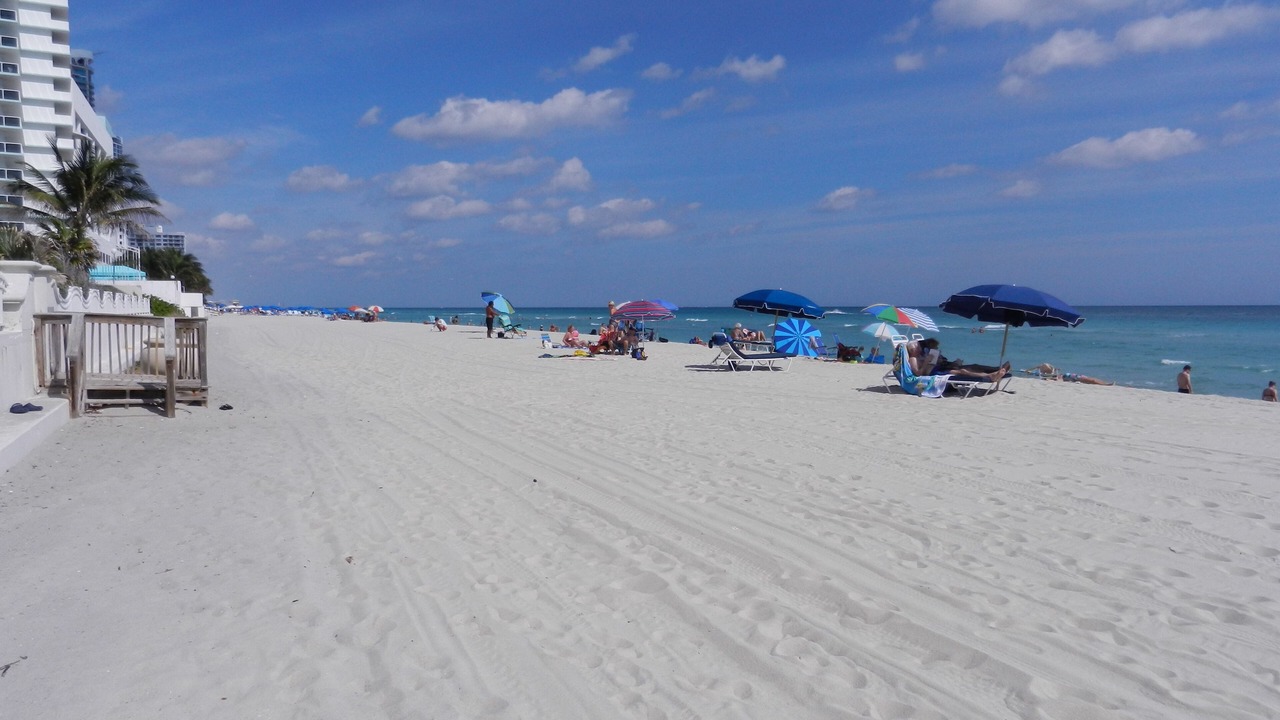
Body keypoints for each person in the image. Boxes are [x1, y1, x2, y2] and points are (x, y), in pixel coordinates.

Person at [1022, 363, 1113, 385]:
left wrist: (1030, 370)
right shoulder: (1048, 372)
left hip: (1069, 376)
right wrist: (1030, 370)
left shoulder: (1046, 374)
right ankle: (1105, 384)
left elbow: (1057, 379)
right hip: (1069, 376)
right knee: (1090, 380)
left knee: (1090, 380)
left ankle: (1105, 384)